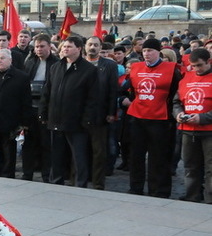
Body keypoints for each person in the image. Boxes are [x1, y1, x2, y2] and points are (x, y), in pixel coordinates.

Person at [123, 37, 182, 198]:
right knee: (136, 155)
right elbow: (132, 91)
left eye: (150, 51)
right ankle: (136, 187)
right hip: (138, 117)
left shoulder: (171, 69)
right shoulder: (136, 67)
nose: (147, 54)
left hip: (160, 119)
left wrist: (171, 114)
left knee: (159, 157)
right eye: (144, 51)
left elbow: (177, 93)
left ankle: (159, 190)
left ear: (158, 52)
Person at [40, 36, 98, 187]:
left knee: (78, 155)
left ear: (79, 49)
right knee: (56, 155)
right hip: (56, 118)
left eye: (69, 47)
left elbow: (93, 98)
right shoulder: (56, 67)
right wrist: (44, 112)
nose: (65, 49)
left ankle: (80, 183)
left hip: (76, 121)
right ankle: (56, 181)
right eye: (64, 46)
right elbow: (47, 92)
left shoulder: (89, 70)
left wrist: (87, 119)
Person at [0, 49, 34, 178]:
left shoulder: (21, 77)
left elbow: (26, 102)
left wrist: (24, 123)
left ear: (10, 60)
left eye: (2, 58)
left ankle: (8, 175)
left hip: (11, 123)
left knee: (9, 152)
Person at [173, 48, 212, 203]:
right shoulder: (186, 79)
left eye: (199, 65)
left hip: (209, 130)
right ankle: (192, 195)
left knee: (210, 168)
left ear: (208, 62)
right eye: (193, 66)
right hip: (188, 130)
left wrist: (202, 118)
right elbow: (176, 102)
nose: (196, 69)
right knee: (190, 166)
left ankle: (210, 198)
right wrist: (179, 114)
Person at [84, 35, 119, 190]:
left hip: (100, 115)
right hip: (80, 115)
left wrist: (111, 112)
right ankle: (79, 179)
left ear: (100, 48)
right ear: (85, 46)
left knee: (99, 151)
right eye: (90, 44)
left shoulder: (109, 66)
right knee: (80, 150)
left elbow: (113, 90)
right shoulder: (79, 63)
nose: (93, 47)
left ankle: (98, 182)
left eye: (96, 45)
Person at [22, 34, 58, 182]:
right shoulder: (30, 62)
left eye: (42, 46)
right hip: (30, 107)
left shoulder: (56, 64)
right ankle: (27, 173)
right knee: (29, 143)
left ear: (49, 46)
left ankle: (46, 174)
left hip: (47, 108)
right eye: (37, 46)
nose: (39, 49)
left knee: (46, 144)